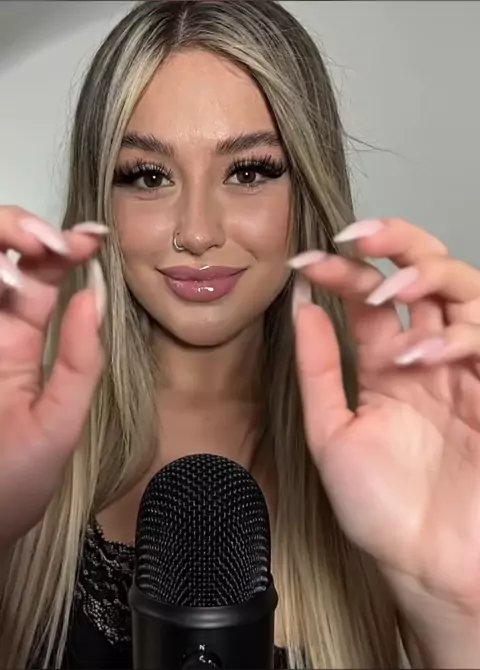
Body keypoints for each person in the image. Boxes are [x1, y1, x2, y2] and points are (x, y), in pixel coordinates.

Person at [1, 0, 480, 667]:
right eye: (148, 176)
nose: (198, 231)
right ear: (99, 198)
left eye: (249, 171)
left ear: (306, 187)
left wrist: (458, 608)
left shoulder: (406, 459)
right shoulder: (20, 452)